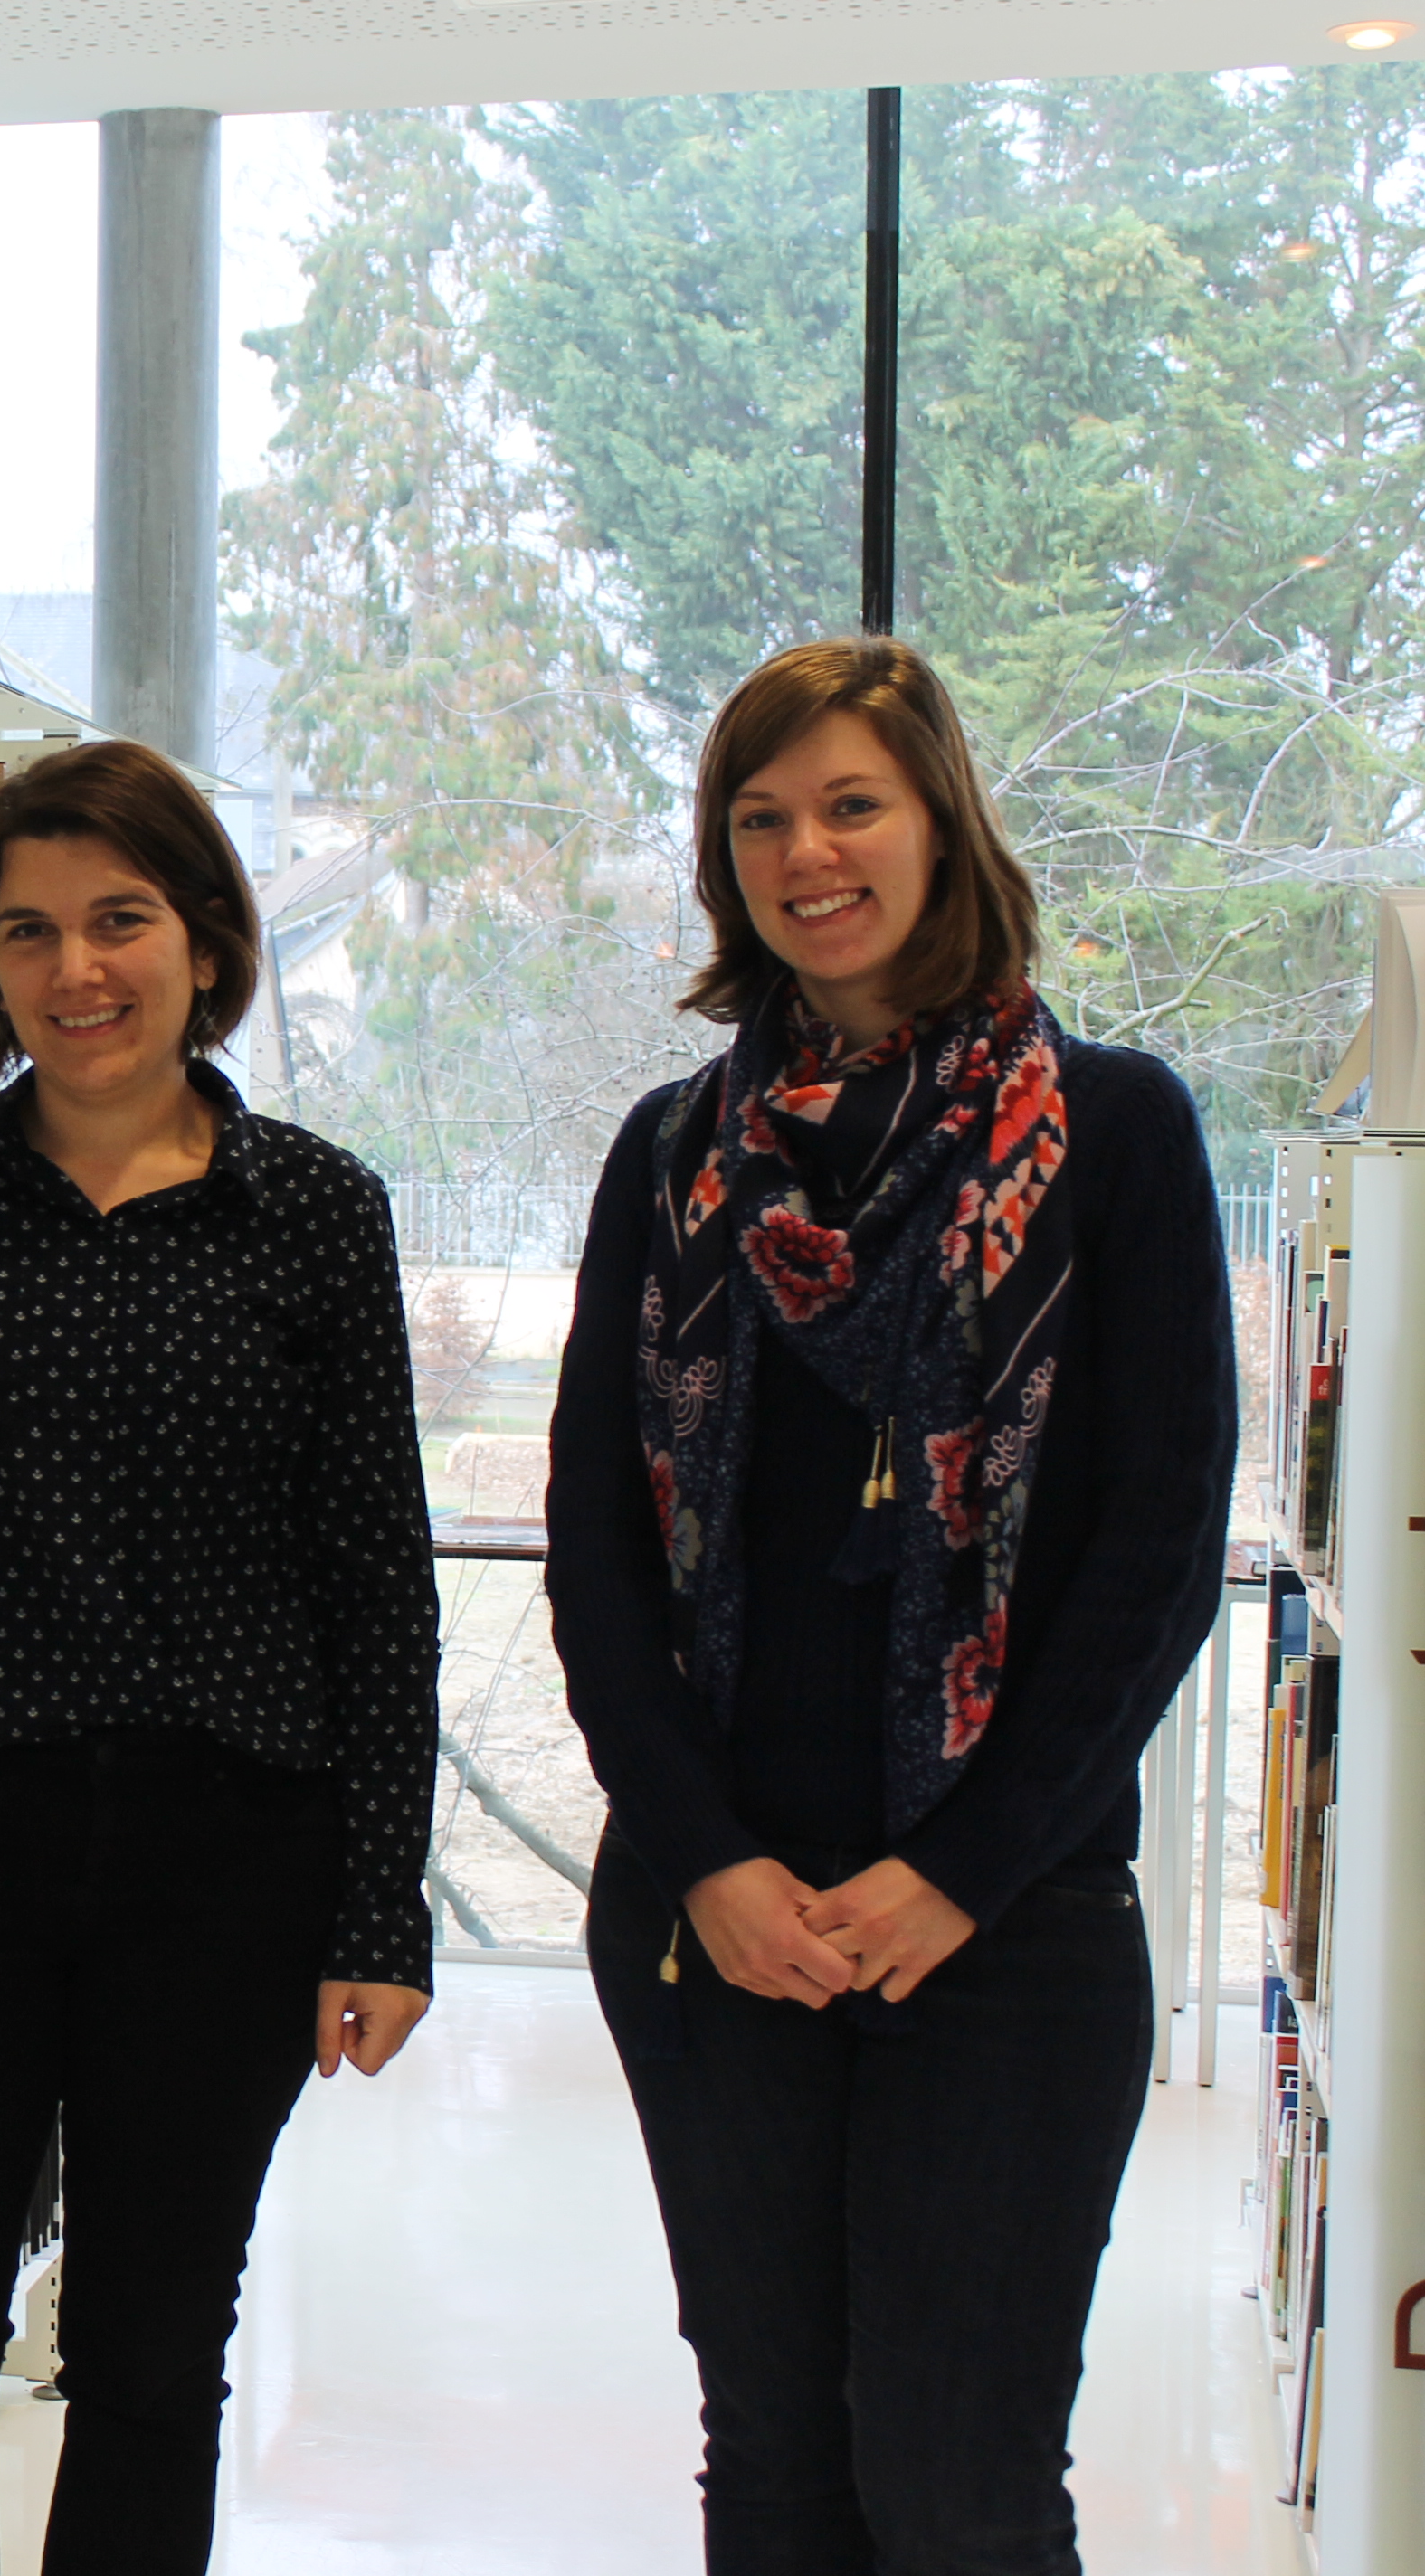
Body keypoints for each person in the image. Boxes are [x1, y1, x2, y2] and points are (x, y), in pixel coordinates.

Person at [546, 637, 1234, 2572]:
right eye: (760, 818)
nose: (807, 853)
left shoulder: (1116, 1132)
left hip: (1005, 1922)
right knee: (773, 2468)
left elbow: (1156, 1550)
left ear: (943, 823)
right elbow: (595, 1551)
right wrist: (708, 1863)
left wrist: (960, 1870)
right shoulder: (671, 1155)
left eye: (852, 803)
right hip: (716, 1922)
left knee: (961, 2489)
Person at [0, 738, 441, 2573]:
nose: (77, 969)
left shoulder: (318, 1212)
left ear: (206, 941)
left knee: (149, 2353)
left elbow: (380, 1583)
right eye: (29, 930)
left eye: (120, 919)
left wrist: (382, 1911)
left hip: (232, 1860)